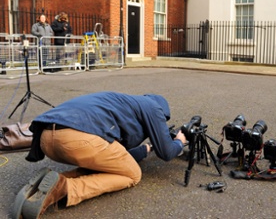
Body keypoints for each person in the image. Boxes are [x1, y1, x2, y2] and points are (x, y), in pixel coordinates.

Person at [14, 92, 187, 218]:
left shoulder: (123, 103)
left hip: (47, 139)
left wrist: (148, 148)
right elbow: (167, 153)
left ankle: (46, 184)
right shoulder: (154, 108)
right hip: (77, 140)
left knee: (105, 163)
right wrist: (180, 141)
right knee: (133, 175)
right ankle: (64, 189)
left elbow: (117, 155)